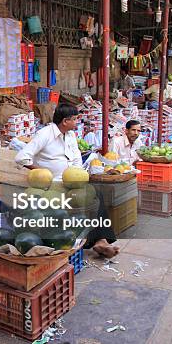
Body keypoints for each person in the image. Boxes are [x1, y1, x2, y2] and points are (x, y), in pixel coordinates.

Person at [16, 104, 119, 258]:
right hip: (53, 184)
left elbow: (76, 158)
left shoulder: (70, 135)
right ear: (65, 121)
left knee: (96, 194)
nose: (77, 122)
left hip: (71, 183)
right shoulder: (45, 134)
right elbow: (21, 157)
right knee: (71, 205)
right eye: (75, 119)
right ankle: (86, 241)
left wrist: (79, 176)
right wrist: (40, 172)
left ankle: (101, 240)